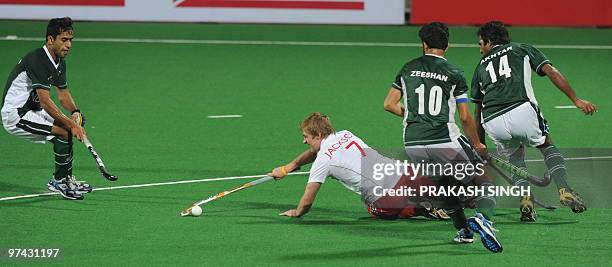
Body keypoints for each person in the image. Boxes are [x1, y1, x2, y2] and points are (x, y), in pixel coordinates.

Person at [269, 112, 502, 253]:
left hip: (386, 197)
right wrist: (289, 167)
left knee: (374, 209)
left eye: (306, 137)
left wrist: (298, 212)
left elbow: (308, 200)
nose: (304, 141)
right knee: (439, 187)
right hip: (404, 172)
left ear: (317, 136)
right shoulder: (345, 134)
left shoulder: (324, 161)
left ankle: (429, 208)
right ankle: (472, 204)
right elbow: (314, 152)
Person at [383, 22, 499, 245]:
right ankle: (484, 219)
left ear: (424, 44)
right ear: (448, 46)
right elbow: (465, 117)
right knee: (484, 180)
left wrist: (415, 115)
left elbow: (389, 104)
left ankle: (464, 231)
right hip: (445, 140)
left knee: (445, 188)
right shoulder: (454, 72)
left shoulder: (407, 68)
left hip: (413, 143)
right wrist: (477, 144)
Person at [471, 21, 596, 221]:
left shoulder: (480, 67)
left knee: (515, 158)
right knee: (547, 145)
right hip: (521, 110)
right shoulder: (521, 48)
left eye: (481, 44)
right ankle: (564, 189)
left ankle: (526, 202)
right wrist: (576, 99)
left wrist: (480, 143)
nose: (480, 50)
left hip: (492, 121)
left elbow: (477, 110)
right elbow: (551, 72)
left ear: (489, 41)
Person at [1, 17, 91, 200]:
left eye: (71, 40)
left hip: (31, 110)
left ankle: (65, 178)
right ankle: (59, 181)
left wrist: (75, 112)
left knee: (66, 129)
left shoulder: (59, 61)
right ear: (51, 40)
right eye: (64, 40)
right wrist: (71, 125)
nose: (68, 45)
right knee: (63, 132)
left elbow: (63, 95)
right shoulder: (38, 59)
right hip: (16, 115)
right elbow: (45, 101)